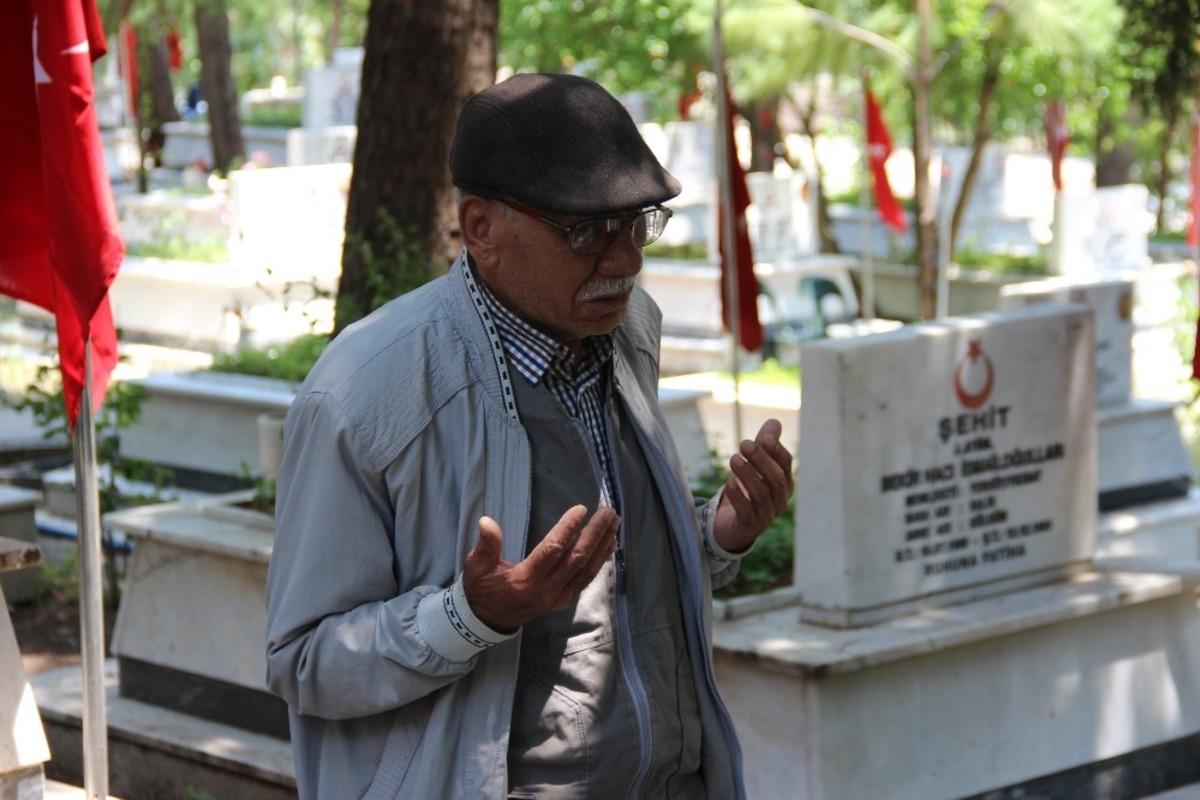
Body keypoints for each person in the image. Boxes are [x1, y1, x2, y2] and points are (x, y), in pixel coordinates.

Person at [265, 72, 795, 800]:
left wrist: (715, 536)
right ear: (481, 227)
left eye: (636, 223)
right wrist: (470, 616)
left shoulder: (628, 329)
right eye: (586, 232)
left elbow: (612, 597)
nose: (626, 260)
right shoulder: (366, 392)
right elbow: (303, 663)